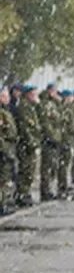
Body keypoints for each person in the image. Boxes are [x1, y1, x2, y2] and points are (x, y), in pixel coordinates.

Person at [0, 85, 18, 215]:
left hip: (9, 149)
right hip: (4, 150)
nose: (8, 98)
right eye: (5, 96)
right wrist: (4, 149)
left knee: (6, 178)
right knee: (3, 179)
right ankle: (2, 204)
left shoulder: (6, 111)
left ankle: (4, 202)